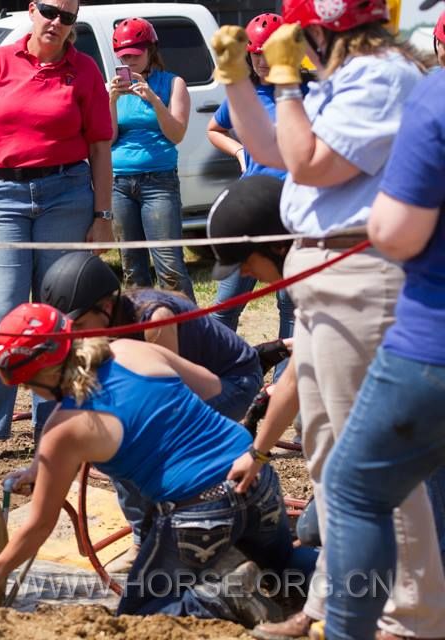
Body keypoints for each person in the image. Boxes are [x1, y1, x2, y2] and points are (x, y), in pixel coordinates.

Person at [210, 2, 445, 637]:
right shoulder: (345, 79)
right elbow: (276, 150)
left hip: (360, 275)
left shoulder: (382, 75)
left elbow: (311, 162)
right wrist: (238, 80)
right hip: (324, 273)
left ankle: (410, 618)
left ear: (325, 27)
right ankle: (331, 605)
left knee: (374, 469)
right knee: (328, 457)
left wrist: (284, 83)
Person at [0, 303, 316, 628]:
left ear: (37, 376)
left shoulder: (62, 428)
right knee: (284, 567)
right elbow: (210, 387)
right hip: (253, 474)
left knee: (140, 617)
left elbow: (39, 525)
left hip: (198, 511)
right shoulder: (132, 349)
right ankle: (351, 576)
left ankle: (223, 598)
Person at [0, 0, 113, 465]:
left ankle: (54, 427)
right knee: (1, 312)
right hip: (3, 195)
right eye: (50, 11)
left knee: (57, 315)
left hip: (66, 194)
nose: (56, 22)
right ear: (32, 10)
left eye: (67, 17)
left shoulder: (83, 71)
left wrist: (103, 215)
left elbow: (100, 147)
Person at [320, 69, 445, 640]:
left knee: (353, 489)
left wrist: (370, 215)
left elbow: (396, 234)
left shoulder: (435, 95)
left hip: (431, 344)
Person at [41, 249, 263, 567]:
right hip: (197, 381)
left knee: (140, 444)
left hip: (232, 380)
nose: (75, 336)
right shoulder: (102, 328)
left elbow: (168, 400)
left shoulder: (154, 319)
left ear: (105, 308)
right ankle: (146, 534)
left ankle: (195, 528)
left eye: (80, 325)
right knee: (113, 443)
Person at [206, 13, 299, 350]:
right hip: (251, 213)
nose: (260, 61)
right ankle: (223, 372)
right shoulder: (243, 95)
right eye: (255, 53)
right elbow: (213, 129)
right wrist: (239, 151)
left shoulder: (303, 92)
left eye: (268, 53)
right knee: (225, 305)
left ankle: (284, 383)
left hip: (291, 213)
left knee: (291, 308)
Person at [108, 17, 195, 301]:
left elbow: (177, 134)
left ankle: (190, 332)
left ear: (150, 50)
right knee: (132, 269)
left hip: (159, 181)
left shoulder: (172, 83)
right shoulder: (114, 89)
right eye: (123, 57)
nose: (129, 61)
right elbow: (107, 139)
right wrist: (110, 100)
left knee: (169, 266)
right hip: (120, 182)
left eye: (134, 55)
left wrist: (154, 100)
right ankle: (142, 334)